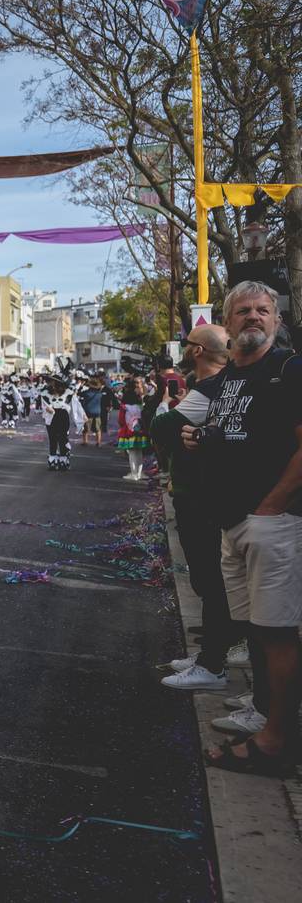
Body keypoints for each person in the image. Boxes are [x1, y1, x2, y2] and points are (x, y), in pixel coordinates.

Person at [178, 281, 302, 776]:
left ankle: (277, 742)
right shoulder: (231, 377)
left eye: (262, 310)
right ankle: (267, 719)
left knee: (276, 633)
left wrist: (272, 505)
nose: (253, 317)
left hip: (272, 524)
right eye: (243, 312)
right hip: (234, 524)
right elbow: (235, 435)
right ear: (227, 325)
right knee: (257, 630)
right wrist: (198, 439)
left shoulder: (288, 370)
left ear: (275, 319)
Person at [156, 324, 237, 691]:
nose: (183, 349)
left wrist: (166, 405)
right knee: (212, 578)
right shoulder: (220, 386)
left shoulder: (207, 390)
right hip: (204, 494)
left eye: (188, 345)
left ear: (198, 352)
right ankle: (213, 651)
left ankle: (213, 661)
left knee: (209, 578)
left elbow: (160, 430)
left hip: (200, 498)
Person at [39, 375, 83, 472]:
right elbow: (44, 406)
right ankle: (53, 460)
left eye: (53, 382)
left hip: (63, 416)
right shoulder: (45, 393)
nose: (50, 384)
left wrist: (81, 417)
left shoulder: (68, 393)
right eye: (50, 382)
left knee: (63, 438)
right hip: (51, 417)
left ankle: (63, 460)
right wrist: (47, 409)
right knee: (52, 438)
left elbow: (76, 405)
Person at [117, 378, 149, 480]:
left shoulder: (124, 406)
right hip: (140, 431)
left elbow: (121, 420)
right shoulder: (140, 405)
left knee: (132, 453)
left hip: (128, 431)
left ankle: (133, 474)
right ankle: (139, 473)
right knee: (139, 453)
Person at [79, 378, 105, 445]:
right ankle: (98, 442)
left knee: (86, 428)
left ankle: (85, 442)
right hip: (97, 412)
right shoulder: (99, 393)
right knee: (98, 429)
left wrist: (81, 386)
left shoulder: (87, 393)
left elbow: (78, 393)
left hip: (88, 412)